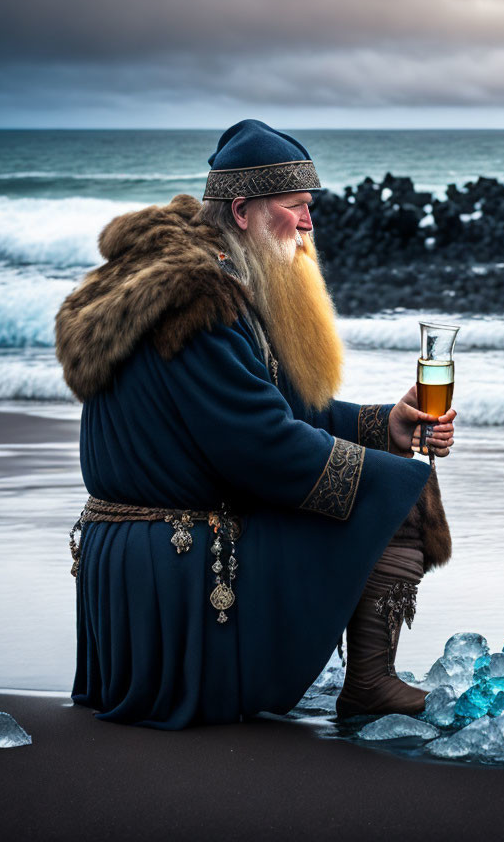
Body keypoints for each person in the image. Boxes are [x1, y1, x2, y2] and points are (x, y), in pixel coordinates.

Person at [55, 120, 456, 728]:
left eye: (309, 208)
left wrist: (385, 427)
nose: (309, 224)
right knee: (404, 493)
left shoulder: (198, 274)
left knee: (387, 471)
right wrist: (390, 478)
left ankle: (369, 678)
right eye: (295, 208)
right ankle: (370, 685)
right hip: (175, 559)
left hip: (138, 554)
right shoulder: (199, 300)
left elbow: (275, 406)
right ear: (242, 211)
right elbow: (260, 444)